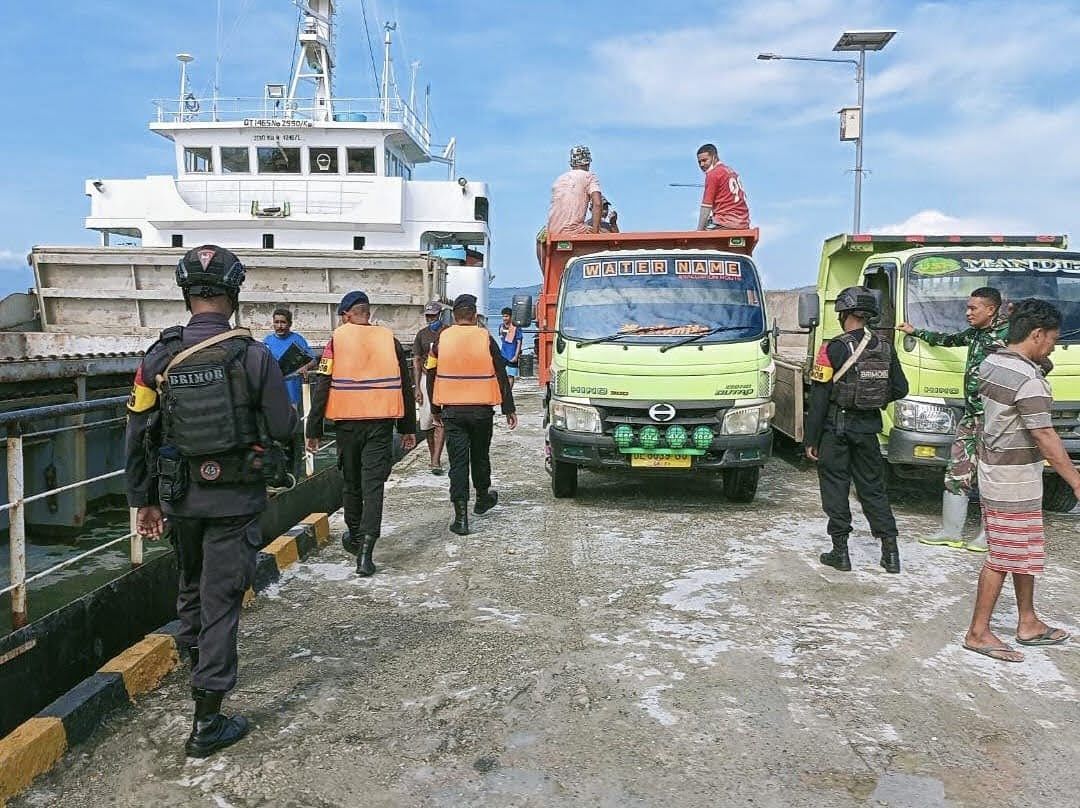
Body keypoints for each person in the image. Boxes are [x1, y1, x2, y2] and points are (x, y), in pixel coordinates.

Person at [125, 244, 297, 757]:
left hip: (178, 497)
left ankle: (198, 664)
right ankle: (207, 720)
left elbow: (138, 432)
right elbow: (285, 425)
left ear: (186, 294)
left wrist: (144, 501)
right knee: (221, 600)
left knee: (192, 586)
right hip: (235, 498)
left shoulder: (158, 356)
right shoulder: (254, 355)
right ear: (234, 293)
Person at [962, 299, 1080, 663]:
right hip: (1011, 479)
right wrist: (1075, 480)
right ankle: (978, 632)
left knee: (1022, 552)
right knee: (1002, 556)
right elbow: (1045, 437)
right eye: (1053, 341)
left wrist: (1037, 365)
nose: (1054, 348)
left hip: (1001, 470)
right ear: (1036, 334)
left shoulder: (992, 361)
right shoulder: (1029, 381)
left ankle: (1027, 621)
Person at [305, 290, 417, 577]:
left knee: (351, 483)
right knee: (373, 486)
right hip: (381, 425)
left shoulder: (336, 341)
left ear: (346, 314)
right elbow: (405, 384)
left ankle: (354, 535)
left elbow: (322, 383)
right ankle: (367, 550)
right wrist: (407, 429)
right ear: (368, 314)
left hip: (348, 426)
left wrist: (313, 428)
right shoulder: (389, 340)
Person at [804, 287, 909, 574]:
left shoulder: (832, 348)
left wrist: (811, 440)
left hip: (836, 430)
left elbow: (820, 398)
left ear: (845, 314)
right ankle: (890, 554)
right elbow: (901, 388)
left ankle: (841, 552)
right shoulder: (885, 346)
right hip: (868, 430)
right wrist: (872, 401)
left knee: (836, 488)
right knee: (873, 489)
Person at [899, 287, 1007, 552]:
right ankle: (951, 531)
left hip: (995, 418)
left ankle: (988, 536)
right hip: (971, 416)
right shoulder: (976, 333)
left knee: (991, 476)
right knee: (958, 469)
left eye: (973, 308)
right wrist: (916, 333)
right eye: (967, 308)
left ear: (991, 310)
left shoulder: (1010, 335)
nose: (967, 313)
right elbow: (949, 340)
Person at [427, 294, 517, 535]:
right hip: (481, 412)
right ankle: (482, 498)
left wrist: (435, 409)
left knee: (458, 463)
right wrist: (509, 408)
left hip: (452, 413)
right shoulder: (486, 338)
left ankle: (461, 518)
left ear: (454, 317)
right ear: (475, 316)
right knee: (480, 456)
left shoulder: (440, 340)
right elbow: (501, 373)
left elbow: (431, 374)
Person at [414, 301, 447, 475]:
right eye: (428, 316)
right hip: (426, 379)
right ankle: (433, 454)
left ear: (440, 315)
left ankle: (435, 460)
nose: (430, 319)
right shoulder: (421, 335)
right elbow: (417, 361)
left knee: (440, 420)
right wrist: (417, 387)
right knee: (426, 423)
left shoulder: (447, 333)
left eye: (433, 316)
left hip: (443, 380)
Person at [262, 308, 315, 410]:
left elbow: (313, 360)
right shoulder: (267, 341)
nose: (279, 326)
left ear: (290, 324)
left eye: (283, 322)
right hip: (274, 393)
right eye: (276, 322)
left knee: (294, 422)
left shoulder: (298, 339)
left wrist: (305, 367)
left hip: (293, 393)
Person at [547, 145, 603, 238]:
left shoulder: (559, 179)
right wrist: (595, 234)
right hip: (574, 231)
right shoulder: (589, 177)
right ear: (588, 163)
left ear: (571, 163)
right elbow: (597, 203)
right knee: (607, 236)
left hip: (552, 232)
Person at [695, 143, 750, 230]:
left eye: (705, 160)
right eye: (699, 162)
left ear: (714, 157)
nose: (701, 165)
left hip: (726, 222)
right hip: (743, 222)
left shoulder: (713, 174)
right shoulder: (731, 171)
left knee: (699, 240)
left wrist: (699, 231)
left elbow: (706, 206)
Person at [498, 307, 524, 389]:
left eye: (506, 316)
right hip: (503, 354)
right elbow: (501, 339)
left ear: (511, 317)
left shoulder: (516, 327)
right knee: (500, 373)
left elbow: (519, 342)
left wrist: (516, 356)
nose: (504, 318)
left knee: (511, 375)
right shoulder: (501, 326)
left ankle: (509, 392)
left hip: (512, 354)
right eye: (503, 316)